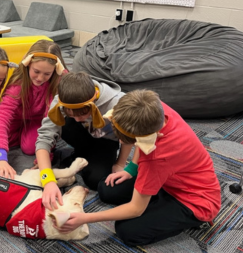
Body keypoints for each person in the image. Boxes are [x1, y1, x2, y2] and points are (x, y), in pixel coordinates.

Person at [56, 89, 221, 246]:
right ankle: (155, 200)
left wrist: (84, 218)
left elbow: (135, 209)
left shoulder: (157, 158)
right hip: (170, 179)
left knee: (128, 231)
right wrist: (131, 170)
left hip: (195, 201)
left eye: (126, 140)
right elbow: (143, 142)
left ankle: (192, 219)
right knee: (106, 188)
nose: (121, 142)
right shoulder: (153, 109)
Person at [35, 71, 133, 210]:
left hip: (106, 139)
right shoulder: (61, 101)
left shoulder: (117, 103)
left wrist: (120, 163)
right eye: (72, 114)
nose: (78, 119)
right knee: (66, 125)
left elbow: (130, 137)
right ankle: (81, 154)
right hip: (81, 134)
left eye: (83, 114)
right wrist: (47, 180)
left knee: (95, 180)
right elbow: (44, 138)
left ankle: (82, 157)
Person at [0, 40, 68, 179]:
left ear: (56, 70)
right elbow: (2, 119)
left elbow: (52, 122)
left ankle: (25, 135)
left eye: (47, 74)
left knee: (31, 148)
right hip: (16, 119)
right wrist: (1, 158)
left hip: (39, 121)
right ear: (28, 64)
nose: (40, 78)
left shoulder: (56, 83)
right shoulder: (18, 84)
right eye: (36, 71)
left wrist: (45, 154)